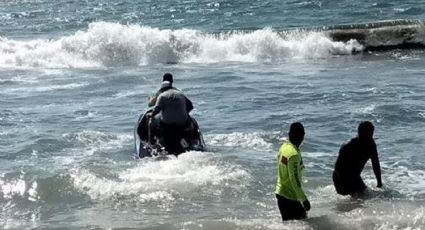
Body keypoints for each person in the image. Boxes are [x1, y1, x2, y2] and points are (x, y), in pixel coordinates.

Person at [333, 121, 383, 196]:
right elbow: (338, 167)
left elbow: (375, 164)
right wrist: (350, 183)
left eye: (371, 133)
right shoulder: (348, 146)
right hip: (340, 178)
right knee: (361, 197)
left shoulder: (371, 145)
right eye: (366, 133)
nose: (369, 136)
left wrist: (379, 182)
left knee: (364, 197)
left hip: (355, 177)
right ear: (359, 132)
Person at [275, 122, 311, 221]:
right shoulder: (294, 154)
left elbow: (278, 161)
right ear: (302, 136)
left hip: (280, 193)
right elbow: (294, 180)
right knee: (304, 222)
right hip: (289, 197)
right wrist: (304, 199)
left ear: (289, 134)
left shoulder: (284, 147)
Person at [147, 77, 193, 153]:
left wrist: (150, 115)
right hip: (182, 123)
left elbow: (156, 110)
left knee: (150, 121)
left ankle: (151, 143)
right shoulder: (180, 94)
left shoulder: (161, 96)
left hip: (167, 123)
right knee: (191, 122)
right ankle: (191, 141)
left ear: (162, 89)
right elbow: (190, 106)